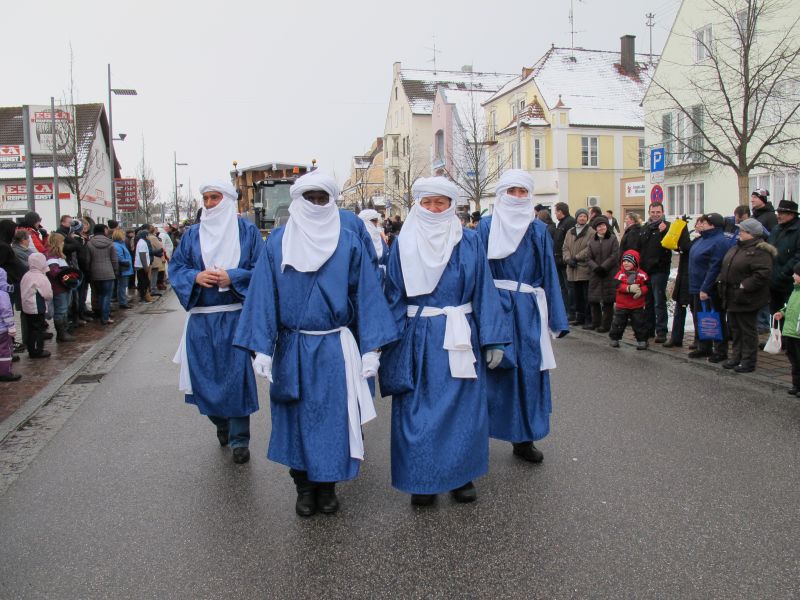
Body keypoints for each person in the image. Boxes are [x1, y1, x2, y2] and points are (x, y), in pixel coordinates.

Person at [234, 171, 398, 515]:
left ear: (332, 202)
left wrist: (371, 348)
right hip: (293, 347)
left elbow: (365, 293)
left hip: (334, 347)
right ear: (298, 200)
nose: (316, 204)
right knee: (295, 416)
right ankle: (304, 487)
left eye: (323, 198)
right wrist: (261, 348)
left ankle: (327, 486)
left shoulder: (348, 242)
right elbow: (264, 293)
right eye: (310, 198)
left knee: (333, 418)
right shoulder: (278, 242)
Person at [380, 176, 507, 507]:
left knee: (463, 411)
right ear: (418, 204)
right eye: (428, 202)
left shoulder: (469, 240)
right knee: (418, 412)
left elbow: (483, 287)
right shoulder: (403, 244)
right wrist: (384, 343)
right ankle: (421, 480)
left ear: (451, 205)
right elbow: (393, 295)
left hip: (461, 337)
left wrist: (494, 338)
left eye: (441, 202)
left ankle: (461, 477)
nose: (434, 208)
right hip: (418, 339)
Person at [170, 180, 265, 466]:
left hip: (235, 318)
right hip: (202, 321)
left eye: (215, 198)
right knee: (204, 380)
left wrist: (233, 277)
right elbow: (177, 267)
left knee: (237, 380)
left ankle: (240, 440)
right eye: (206, 198)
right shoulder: (192, 234)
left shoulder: (247, 232)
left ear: (228, 200)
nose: (209, 203)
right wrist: (195, 277)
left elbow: (262, 269)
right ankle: (221, 423)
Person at [476, 170, 567, 465]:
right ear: (501, 194)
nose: (517, 197)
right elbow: (477, 271)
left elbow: (549, 272)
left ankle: (524, 438)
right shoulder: (486, 227)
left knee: (528, 372)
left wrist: (557, 319)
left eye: (522, 191)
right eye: (511, 191)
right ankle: (477, 440)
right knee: (491, 373)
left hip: (527, 310)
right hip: (494, 306)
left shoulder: (537, 230)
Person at [718, 219, 775, 373]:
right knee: (735, 329)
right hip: (732, 296)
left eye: (742, 230)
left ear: (751, 233)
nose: (739, 233)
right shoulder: (738, 247)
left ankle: (748, 361)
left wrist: (744, 285)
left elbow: (763, 273)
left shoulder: (760, 251)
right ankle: (736, 357)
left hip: (747, 297)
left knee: (747, 330)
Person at [687, 213, 730, 362]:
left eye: (704, 223)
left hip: (710, 288)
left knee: (715, 318)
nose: (700, 225)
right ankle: (704, 347)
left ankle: (720, 350)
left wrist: (705, 288)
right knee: (700, 317)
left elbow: (715, 267)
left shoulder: (719, 241)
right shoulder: (702, 239)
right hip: (696, 285)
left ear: (713, 225)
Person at [638, 202, 672, 343]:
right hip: (646, 270)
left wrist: (665, 231)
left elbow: (671, 244)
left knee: (659, 302)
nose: (655, 214)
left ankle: (661, 331)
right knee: (648, 301)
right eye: (653, 212)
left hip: (660, 270)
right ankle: (649, 329)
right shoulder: (644, 228)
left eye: (658, 212)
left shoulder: (667, 226)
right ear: (649, 212)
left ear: (662, 212)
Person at [609, 250, 649, 350]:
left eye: (629, 261)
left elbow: (646, 286)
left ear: (635, 262)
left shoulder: (642, 275)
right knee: (618, 323)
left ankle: (642, 340)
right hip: (622, 305)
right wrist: (628, 288)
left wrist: (641, 291)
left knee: (639, 324)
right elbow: (617, 286)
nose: (626, 263)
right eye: (624, 261)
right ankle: (614, 338)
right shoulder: (620, 274)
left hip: (637, 305)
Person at [663, 218, 693, 348]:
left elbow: (685, 246)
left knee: (695, 311)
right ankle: (676, 338)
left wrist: (683, 227)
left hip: (693, 279)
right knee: (679, 308)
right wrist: (680, 226)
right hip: (682, 277)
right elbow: (677, 245)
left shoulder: (700, 240)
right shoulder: (692, 236)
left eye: (702, 223)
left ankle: (699, 341)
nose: (699, 226)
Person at [562, 208, 594, 327]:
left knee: (586, 296)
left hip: (583, 267)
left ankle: (588, 318)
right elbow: (565, 247)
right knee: (576, 295)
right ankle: (579, 317)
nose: (582, 218)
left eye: (584, 216)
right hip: (572, 267)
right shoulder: (570, 232)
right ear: (576, 218)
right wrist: (568, 259)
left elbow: (589, 248)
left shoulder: (591, 232)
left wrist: (576, 258)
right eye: (580, 216)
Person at [586, 216, 619, 332]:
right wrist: (596, 268)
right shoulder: (592, 241)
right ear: (596, 228)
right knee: (594, 299)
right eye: (599, 226)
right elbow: (588, 257)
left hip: (609, 273)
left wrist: (604, 267)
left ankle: (606, 325)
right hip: (596, 274)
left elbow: (615, 255)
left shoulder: (613, 239)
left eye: (603, 225)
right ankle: (596, 322)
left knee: (607, 300)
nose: (602, 228)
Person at [767, 199, 800, 316]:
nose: (778, 216)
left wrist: (783, 273)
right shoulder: (776, 228)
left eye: (781, 213)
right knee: (775, 315)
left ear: (791, 214)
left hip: (790, 282)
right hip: (773, 282)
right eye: (778, 213)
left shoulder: (798, 230)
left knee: (789, 314)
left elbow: (798, 256)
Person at [20, 253, 52, 359]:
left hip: (27, 306)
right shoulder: (41, 277)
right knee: (37, 329)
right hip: (36, 307)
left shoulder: (26, 275)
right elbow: (47, 294)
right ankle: (37, 351)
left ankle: (31, 349)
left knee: (31, 328)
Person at [774, 264, 800, 395]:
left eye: (796, 274)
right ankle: (796, 385)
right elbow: (789, 305)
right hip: (790, 331)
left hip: (798, 333)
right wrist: (782, 312)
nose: (793, 275)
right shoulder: (795, 290)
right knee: (794, 360)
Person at [44, 233, 75, 342]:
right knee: (60, 311)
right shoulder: (51, 256)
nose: (63, 243)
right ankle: (61, 334)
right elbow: (55, 273)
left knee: (64, 309)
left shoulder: (58, 255)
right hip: (58, 288)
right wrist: (68, 276)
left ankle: (64, 331)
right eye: (62, 241)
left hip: (65, 286)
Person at [86, 223, 119, 325]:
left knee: (99, 295)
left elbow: (87, 260)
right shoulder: (110, 243)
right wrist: (115, 270)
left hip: (95, 272)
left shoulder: (89, 243)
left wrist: (89, 271)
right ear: (104, 230)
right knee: (107, 296)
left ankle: (101, 315)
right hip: (108, 272)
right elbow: (114, 259)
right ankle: (105, 317)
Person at [553, 202, 576, 321]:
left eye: (556, 211)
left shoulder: (570, 222)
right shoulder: (561, 223)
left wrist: (566, 258)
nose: (555, 214)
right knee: (563, 287)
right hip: (558, 260)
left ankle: (571, 311)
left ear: (560, 211)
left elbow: (569, 243)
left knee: (569, 287)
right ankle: (566, 310)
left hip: (565, 261)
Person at [0, 267, 20, 381]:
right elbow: (6, 312)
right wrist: (11, 327)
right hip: (2, 330)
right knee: (5, 351)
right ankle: (4, 373)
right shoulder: (3, 295)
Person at [358, 208, 389, 278]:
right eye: (374, 220)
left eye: (377, 220)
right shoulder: (359, 241)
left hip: (382, 279)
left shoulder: (379, 238)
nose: (377, 223)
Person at [112, 229, 133, 309]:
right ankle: (122, 302)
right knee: (122, 286)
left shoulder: (120, 244)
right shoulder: (117, 245)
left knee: (122, 286)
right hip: (123, 269)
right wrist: (127, 262)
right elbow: (119, 257)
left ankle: (123, 301)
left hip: (125, 268)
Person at [134, 230, 154, 303]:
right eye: (148, 235)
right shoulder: (142, 243)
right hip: (141, 266)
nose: (148, 236)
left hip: (141, 265)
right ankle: (143, 297)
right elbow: (142, 256)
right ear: (145, 236)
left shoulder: (141, 242)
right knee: (144, 282)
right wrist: (146, 267)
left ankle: (143, 297)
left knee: (143, 282)